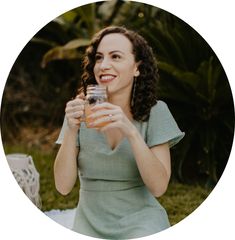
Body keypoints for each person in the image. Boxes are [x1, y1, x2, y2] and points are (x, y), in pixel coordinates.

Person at [54, 26, 185, 239]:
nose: (104, 65)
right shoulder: (79, 109)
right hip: (89, 224)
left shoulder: (156, 112)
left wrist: (131, 131)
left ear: (137, 68)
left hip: (142, 223)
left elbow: (159, 187)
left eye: (116, 56)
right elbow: (62, 187)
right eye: (99, 57)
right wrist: (71, 129)